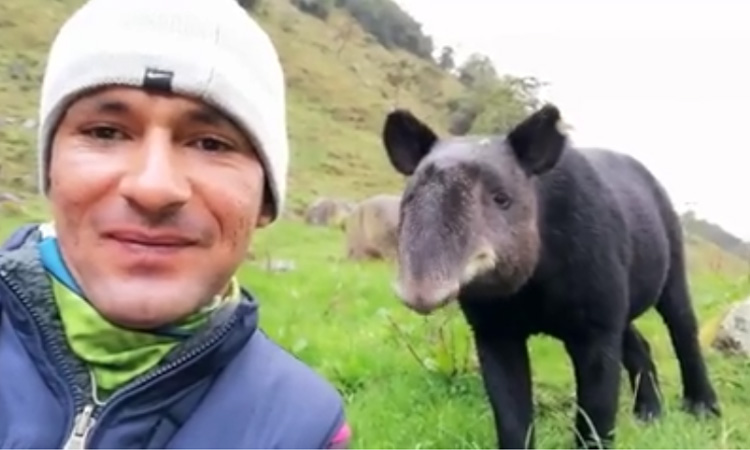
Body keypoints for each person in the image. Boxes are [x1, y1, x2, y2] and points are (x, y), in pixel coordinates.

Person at [0, 0, 352, 448]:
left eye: (210, 143)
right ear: (51, 172)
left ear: (264, 202)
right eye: (105, 132)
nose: (154, 188)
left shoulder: (307, 429)